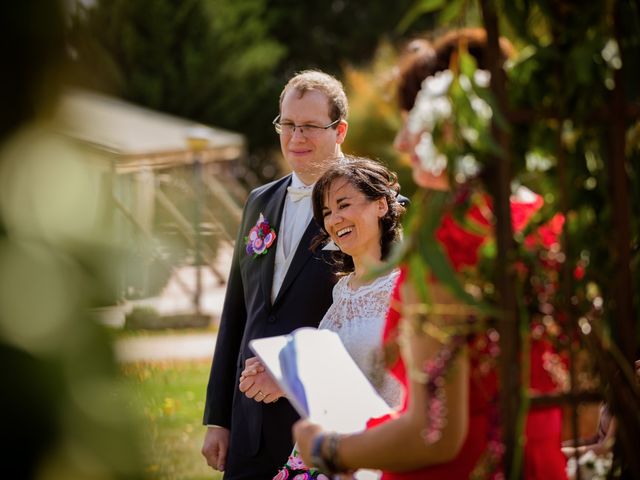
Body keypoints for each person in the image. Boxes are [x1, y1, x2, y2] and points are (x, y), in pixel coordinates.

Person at [292, 28, 568, 479]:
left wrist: (327, 448)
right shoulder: (543, 224)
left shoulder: (449, 243)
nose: (401, 143)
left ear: (451, 122)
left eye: (410, 124)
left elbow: (434, 433)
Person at [201, 70, 350, 479]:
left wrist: (294, 376)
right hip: (249, 424)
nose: (295, 137)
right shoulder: (258, 202)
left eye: (309, 126)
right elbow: (237, 312)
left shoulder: (373, 206)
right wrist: (219, 418)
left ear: (340, 131)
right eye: (287, 124)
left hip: (323, 423)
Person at [238, 156, 405, 479]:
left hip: (378, 454)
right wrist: (282, 377)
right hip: (325, 455)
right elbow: (338, 380)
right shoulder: (342, 290)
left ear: (381, 206)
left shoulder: (403, 288)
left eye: (344, 205)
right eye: (327, 212)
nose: (334, 219)